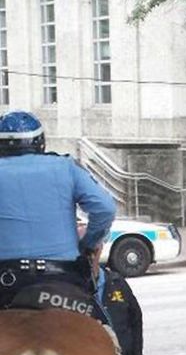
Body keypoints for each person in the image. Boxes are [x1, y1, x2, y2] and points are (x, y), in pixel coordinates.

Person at [0, 110, 115, 309]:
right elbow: (105, 208)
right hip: (63, 278)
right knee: (104, 324)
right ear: (40, 142)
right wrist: (88, 243)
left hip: (6, 281)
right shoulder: (66, 167)